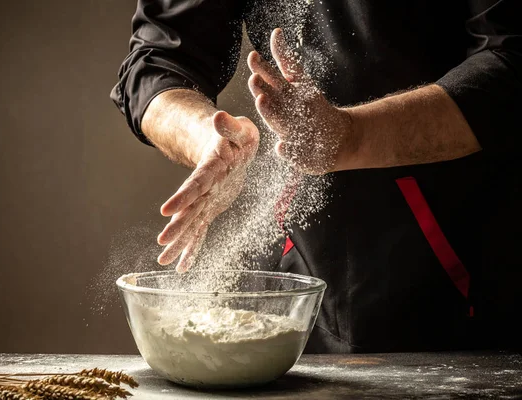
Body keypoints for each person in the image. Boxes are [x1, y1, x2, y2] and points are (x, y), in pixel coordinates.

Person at [111, 0, 522, 353]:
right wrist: (206, 134)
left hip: (469, 264)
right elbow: (157, 60)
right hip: (307, 264)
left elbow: (511, 60)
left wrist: (352, 137)